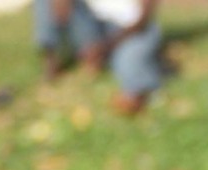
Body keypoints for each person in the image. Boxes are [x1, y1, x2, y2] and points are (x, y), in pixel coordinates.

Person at [34, 0, 166, 116]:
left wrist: (106, 46)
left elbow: (143, 21)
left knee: (128, 59)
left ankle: (137, 91)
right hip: (94, 27)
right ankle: (52, 61)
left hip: (131, 30)